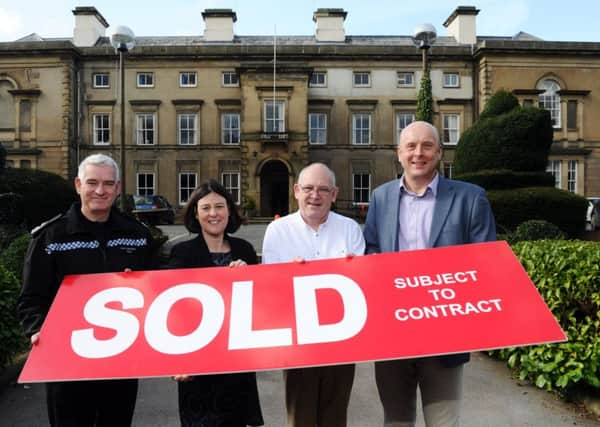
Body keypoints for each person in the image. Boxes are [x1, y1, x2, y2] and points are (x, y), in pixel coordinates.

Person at [363, 121, 496, 427]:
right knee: (396, 421)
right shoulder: (381, 197)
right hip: (392, 333)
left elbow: (486, 262)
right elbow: (371, 251)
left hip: (445, 335)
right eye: (411, 146)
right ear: (399, 153)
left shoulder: (471, 197)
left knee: (444, 423)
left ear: (439, 152)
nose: (418, 153)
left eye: (426, 146)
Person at [17, 153, 156, 426]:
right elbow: (31, 298)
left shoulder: (138, 235)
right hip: (67, 363)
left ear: (117, 189)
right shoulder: (51, 237)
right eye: (92, 182)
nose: (100, 191)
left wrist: (141, 288)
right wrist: (36, 330)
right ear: (78, 185)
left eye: (108, 184)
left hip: (120, 362)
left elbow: (157, 293)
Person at [262, 162, 365, 427]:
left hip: (341, 343)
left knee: (335, 417)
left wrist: (359, 273)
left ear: (334, 193)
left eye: (323, 189)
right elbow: (269, 288)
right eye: (308, 188)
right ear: (296, 190)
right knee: (300, 419)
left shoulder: (351, 228)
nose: (315, 195)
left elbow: (362, 286)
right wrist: (288, 276)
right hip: (299, 344)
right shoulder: (277, 230)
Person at [166, 179, 264, 427]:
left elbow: (261, 307)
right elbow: (173, 313)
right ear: (195, 214)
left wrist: (249, 277)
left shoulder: (245, 251)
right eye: (206, 208)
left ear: (229, 210)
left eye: (219, 207)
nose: (213, 213)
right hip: (198, 368)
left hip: (237, 367)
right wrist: (177, 359)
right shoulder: (182, 254)